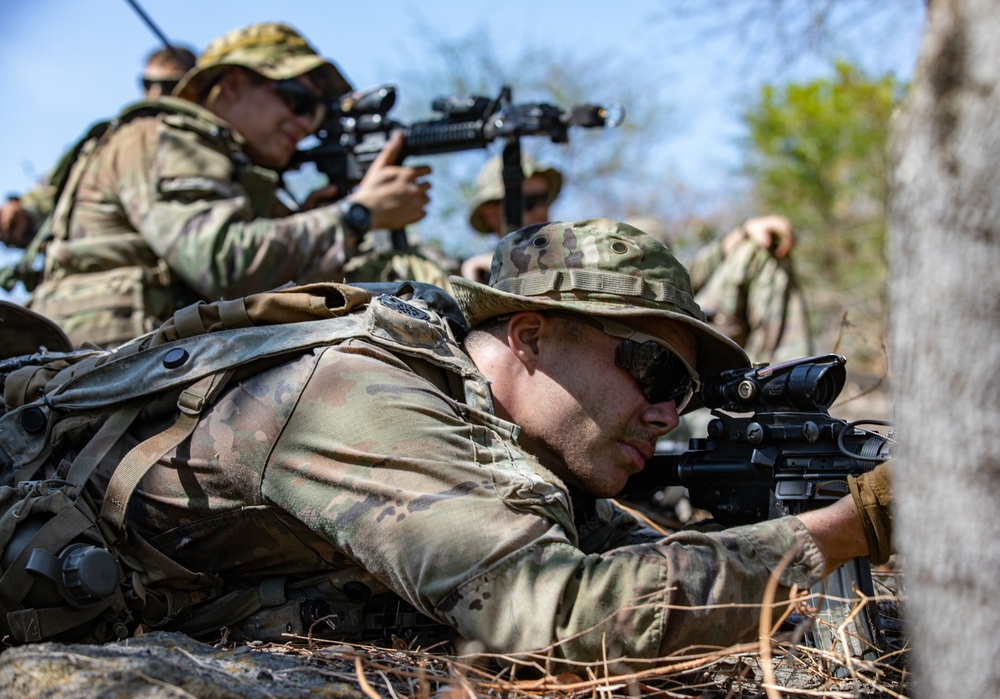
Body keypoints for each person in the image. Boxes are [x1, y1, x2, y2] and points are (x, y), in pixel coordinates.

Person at [38, 218, 891, 661]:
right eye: (653, 375)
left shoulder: (519, 452)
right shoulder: (361, 391)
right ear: (527, 336)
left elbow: (637, 578)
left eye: (688, 393)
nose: (671, 412)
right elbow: (552, 614)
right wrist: (853, 527)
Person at [25, 23, 432, 349]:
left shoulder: (229, 170)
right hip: (101, 367)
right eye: (297, 101)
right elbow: (221, 263)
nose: (306, 123)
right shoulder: (169, 137)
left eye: (317, 112)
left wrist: (319, 224)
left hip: (149, 362)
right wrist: (355, 214)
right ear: (233, 86)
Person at [0, 45, 197, 254]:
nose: (155, 94)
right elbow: (55, 191)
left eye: (169, 86)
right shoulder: (105, 142)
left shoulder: (201, 145)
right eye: (148, 84)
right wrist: (23, 212)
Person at [687, 214, 812, 365]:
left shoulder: (652, 234)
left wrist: (744, 233)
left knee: (756, 250)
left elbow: (682, 275)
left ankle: (786, 378)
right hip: (672, 342)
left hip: (700, 325)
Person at [460, 154, 562, 283]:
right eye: (528, 202)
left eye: (544, 198)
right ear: (490, 214)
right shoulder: (480, 272)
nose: (540, 209)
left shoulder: (574, 251)